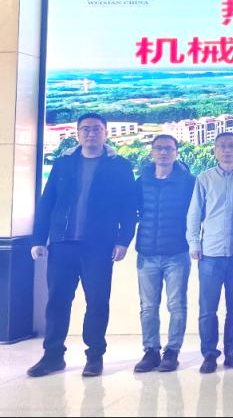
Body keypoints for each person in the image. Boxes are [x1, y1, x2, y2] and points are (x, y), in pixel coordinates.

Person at [28, 113, 137, 378]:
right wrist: (38, 239)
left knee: (97, 302)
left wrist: (123, 240)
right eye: (85, 129)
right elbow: (47, 202)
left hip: (99, 246)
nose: (91, 133)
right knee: (57, 301)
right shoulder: (64, 163)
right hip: (62, 244)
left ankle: (95, 356)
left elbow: (129, 206)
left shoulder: (119, 166)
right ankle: (53, 356)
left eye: (96, 129)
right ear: (78, 133)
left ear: (105, 133)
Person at [187, 132, 233, 374]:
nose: (227, 150)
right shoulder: (204, 178)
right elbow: (194, 213)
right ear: (215, 150)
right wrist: (194, 243)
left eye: (231, 146)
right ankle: (209, 355)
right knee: (208, 309)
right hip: (210, 254)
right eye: (222, 146)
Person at [133, 135, 196, 374]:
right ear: (152, 152)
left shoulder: (188, 182)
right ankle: (150, 351)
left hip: (177, 253)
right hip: (147, 253)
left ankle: (172, 352)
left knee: (176, 305)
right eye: (159, 148)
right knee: (148, 307)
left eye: (169, 149)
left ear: (176, 153)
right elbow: (131, 211)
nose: (163, 153)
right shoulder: (141, 181)